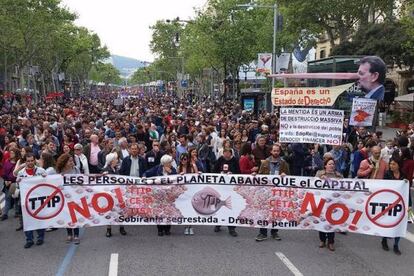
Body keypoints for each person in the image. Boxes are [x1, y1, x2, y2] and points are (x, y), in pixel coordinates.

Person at [255, 144, 289, 242]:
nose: (276, 152)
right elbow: (260, 176)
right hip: (266, 192)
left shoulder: (283, 163)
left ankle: (274, 232)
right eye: (274, 151)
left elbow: (290, 178)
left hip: (278, 192)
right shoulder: (265, 162)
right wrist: (255, 175)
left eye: (277, 151)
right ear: (271, 151)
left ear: (279, 152)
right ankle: (263, 232)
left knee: (275, 213)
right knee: (264, 213)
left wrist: (285, 175)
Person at [16, 153, 47, 248]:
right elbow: (18, 186)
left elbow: (47, 183)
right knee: (27, 220)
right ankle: (29, 239)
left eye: (31, 160)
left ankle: (40, 237)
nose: (30, 162)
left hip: (38, 199)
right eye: (28, 161)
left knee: (39, 218)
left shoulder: (41, 171)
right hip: (26, 201)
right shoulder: (21, 173)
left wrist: (45, 178)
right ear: (25, 161)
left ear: (34, 160)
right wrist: (18, 182)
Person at [144, 154, 177, 236]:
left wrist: (171, 172)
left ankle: (167, 229)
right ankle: (160, 229)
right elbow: (147, 173)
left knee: (169, 212)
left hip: (169, 195)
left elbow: (177, 178)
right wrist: (144, 176)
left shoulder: (172, 169)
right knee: (159, 213)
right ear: (164, 163)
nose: (171, 164)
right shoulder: (157, 168)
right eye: (169, 162)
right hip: (159, 195)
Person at [315, 157, 343, 251]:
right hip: (322, 202)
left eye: (333, 164)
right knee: (321, 220)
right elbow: (312, 184)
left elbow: (343, 187)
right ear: (325, 165)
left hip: (333, 203)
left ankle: (331, 242)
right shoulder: (319, 173)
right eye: (329, 164)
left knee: (331, 222)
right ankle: (322, 240)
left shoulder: (338, 175)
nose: (331, 165)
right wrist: (319, 179)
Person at [382, 157, 406, 255]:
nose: (391, 166)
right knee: (388, 222)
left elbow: (406, 190)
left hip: (399, 203)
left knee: (399, 223)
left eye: (394, 164)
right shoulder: (387, 174)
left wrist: (409, 204)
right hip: (388, 202)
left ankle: (396, 244)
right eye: (390, 164)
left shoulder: (403, 175)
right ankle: (384, 240)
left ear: (399, 165)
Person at [213, 147, 240, 237]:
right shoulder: (220, 160)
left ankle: (231, 228)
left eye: (228, 153)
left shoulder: (235, 160)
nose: (226, 154)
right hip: (221, 187)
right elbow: (214, 171)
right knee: (219, 206)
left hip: (230, 188)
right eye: (225, 153)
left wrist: (232, 174)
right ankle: (218, 224)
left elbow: (239, 172)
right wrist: (220, 173)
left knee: (230, 207)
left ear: (230, 153)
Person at [56, 153, 81, 244]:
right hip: (64, 197)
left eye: (72, 161)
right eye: (70, 161)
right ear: (64, 162)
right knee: (67, 215)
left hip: (75, 196)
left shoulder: (76, 169)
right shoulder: (60, 172)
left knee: (75, 215)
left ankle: (76, 235)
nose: (72, 162)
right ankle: (69, 234)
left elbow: (82, 181)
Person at [102, 152, 127, 237]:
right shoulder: (105, 170)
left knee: (120, 211)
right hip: (109, 195)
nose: (117, 160)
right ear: (112, 161)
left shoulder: (116, 169)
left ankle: (121, 227)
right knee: (109, 212)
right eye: (116, 159)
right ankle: (108, 229)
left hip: (117, 194)